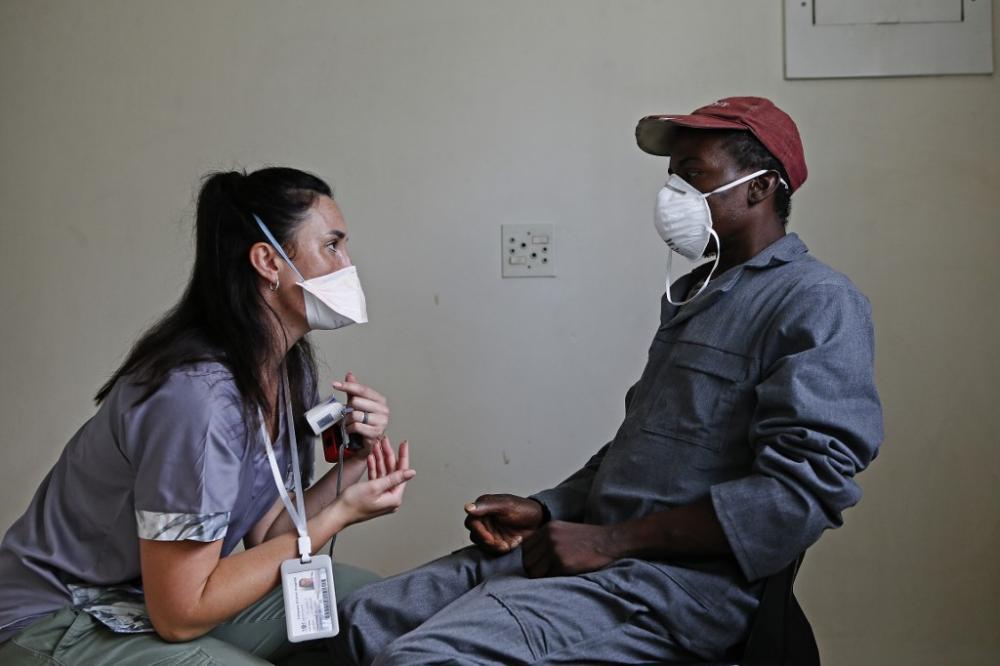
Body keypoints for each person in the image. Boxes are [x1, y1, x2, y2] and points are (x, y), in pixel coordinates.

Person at [329, 97, 883, 665]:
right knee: (360, 622)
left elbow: (797, 498)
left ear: (761, 188)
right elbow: (639, 452)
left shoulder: (816, 302)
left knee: (421, 660)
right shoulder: (698, 295)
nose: (675, 197)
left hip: (678, 590)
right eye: (673, 179)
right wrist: (546, 512)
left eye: (694, 176)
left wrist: (610, 542)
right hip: (600, 552)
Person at [0, 167, 415, 664]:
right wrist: (339, 516)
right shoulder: (196, 398)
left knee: (372, 605)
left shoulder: (285, 373)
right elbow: (180, 614)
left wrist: (351, 466)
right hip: (63, 616)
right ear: (268, 262)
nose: (348, 265)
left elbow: (268, 533)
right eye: (332, 246)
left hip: (150, 602)